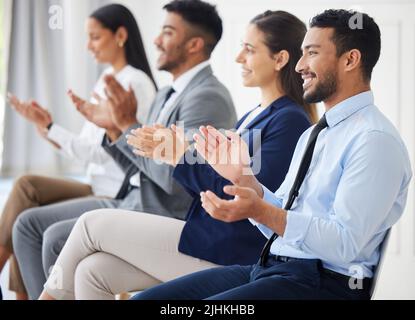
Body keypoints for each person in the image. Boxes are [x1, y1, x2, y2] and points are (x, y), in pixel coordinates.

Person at [132, 9, 412, 300]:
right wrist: (245, 180)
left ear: (350, 60)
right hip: (272, 268)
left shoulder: (374, 141)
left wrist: (260, 210)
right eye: (301, 53)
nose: (300, 65)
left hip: (323, 285)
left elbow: (345, 243)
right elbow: (285, 215)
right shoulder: (315, 134)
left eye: (312, 53)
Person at [38, 10, 315, 300]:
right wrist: (173, 151)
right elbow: (218, 178)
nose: (238, 58)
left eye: (249, 49)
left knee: (90, 224)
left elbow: (246, 197)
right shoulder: (253, 116)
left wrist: (180, 155)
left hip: (227, 249)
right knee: (92, 271)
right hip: (205, 233)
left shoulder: (289, 121)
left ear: (280, 59)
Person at [15, 0, 236, 300]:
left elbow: (177, 181)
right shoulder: (165, 93)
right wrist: (114, 130)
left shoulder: (207, 97)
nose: (156, 40)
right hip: (133, 197)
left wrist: (128, 124)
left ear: (194, 44)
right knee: (29, 224)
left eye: (167, 32)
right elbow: (141, 167)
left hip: (161, 212)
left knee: (54, 237)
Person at [4, 3, 157, 300]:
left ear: (120, 35)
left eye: (95, 37)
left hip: (114, 190)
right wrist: (46, 127)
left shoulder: (133, 83)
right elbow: (87, 148)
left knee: (26, 209)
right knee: (25, 197)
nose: (88, 46)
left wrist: (51, 129)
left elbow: (102, 151)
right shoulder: (108, 79)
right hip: (95, 183)